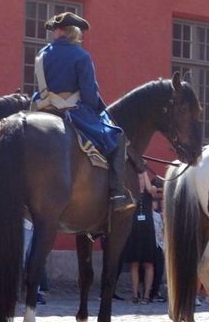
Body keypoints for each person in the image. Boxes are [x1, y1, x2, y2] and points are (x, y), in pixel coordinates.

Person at [30, 12, 136, 216]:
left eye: (55, 30)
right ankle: (117, 195)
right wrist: (98, 107)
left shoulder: (41, 55)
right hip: (73, 113)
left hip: (43, 110)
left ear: (61, 31)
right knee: (117, 137)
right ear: (73, 33)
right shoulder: (81, 56)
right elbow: (88, 95)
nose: (53, 33)